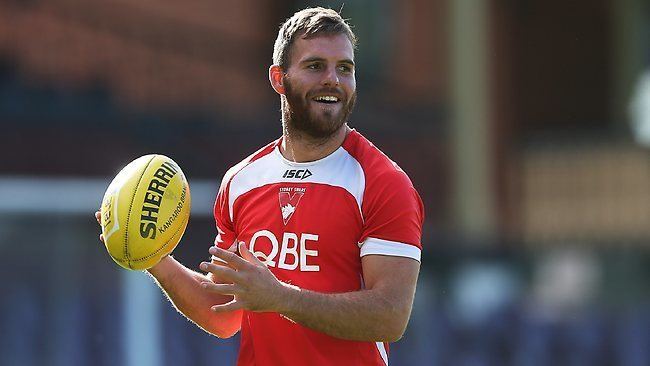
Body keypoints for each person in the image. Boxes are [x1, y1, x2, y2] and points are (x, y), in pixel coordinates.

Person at [96, 7, 424, 365]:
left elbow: (391, 315)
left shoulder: (384, 184)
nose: (333, 79)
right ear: (279, 78)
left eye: (344, 68)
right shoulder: (242, 181)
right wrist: (150, 252)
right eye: (315, 66)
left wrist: (281, 297)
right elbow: (223, 314)